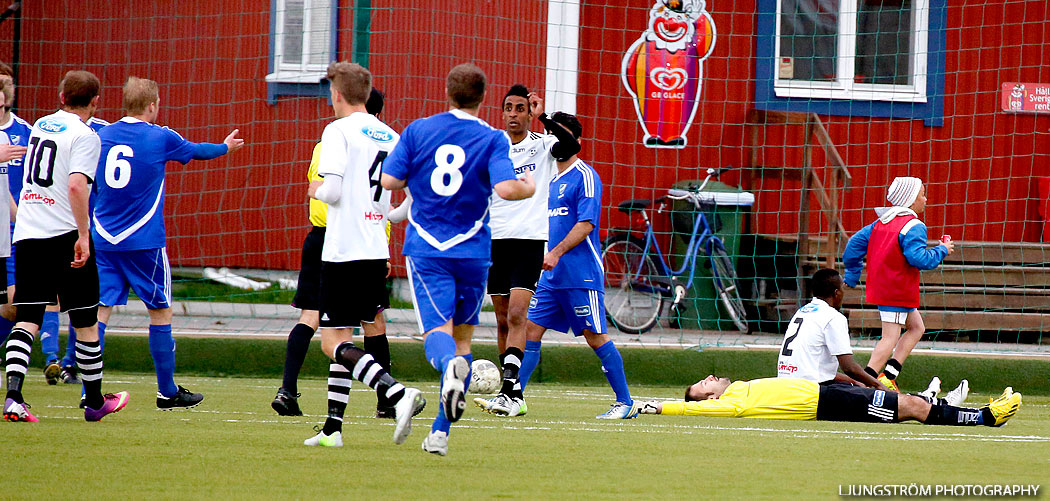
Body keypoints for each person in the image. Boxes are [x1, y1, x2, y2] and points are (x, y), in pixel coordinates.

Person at [381, 63, 536, 456]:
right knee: (464, 341)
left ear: (447, 92)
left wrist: (416, 170)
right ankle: (439, 434)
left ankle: (447, 372)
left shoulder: (418, 130)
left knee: (439, 335)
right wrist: (528, 186)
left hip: (428, 249)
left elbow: (389, 181)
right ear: (484, 99)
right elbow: (505, 188)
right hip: (473, 252)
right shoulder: (493, 138)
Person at [92, 76, 243, 410]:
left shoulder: (101, 135)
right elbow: (196, 151)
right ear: (151, 106)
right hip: (144, 241)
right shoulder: (160, 136)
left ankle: (90, 386)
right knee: (160, 310)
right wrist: (225, 147)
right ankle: (166, 391)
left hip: (103, 239)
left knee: (101, 310)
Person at [301, 62, 425, 448]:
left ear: (337, 94)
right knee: (348, 336)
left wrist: (314, 188)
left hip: (343, 252)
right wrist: (386, 214)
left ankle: (396, 392)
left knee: (330, 342)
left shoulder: (337, 131)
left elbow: (332, 191)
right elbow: (413, 196)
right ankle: (332, 429)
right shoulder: (391, 134)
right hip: (375, 249)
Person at [3, 70, 128, 422]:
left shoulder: (42, 124)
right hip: (63, 237)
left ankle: (13, 397)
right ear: (96, 102)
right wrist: (84, 235)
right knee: (86, 320)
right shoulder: (86, 136)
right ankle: (94, 401)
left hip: (27, 233)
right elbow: (76, 187)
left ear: (60, 97)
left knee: (27, 318)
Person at [272, 87, 404, 419]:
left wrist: (318, 190)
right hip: (357, 241)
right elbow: (375, 201)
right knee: (370, 321)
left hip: (324, 238)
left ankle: (290, 391)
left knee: (314, 320)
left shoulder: (330, 140)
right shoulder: (386, 141)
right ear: (378, 113)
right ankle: (387, 397)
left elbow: (325, 188)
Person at [512, 112, 638, 420]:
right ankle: (516, 398)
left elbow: (586, 224)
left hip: (580, 275)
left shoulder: (585, 175)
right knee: (530, 330)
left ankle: (625, 402)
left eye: (562, 134)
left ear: (576, 141)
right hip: (551, 277)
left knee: (594, 336)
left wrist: (554, 253)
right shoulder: (548, 180)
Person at [473, 85, 576, 417]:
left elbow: (573, 145)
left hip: (529, 241)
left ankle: (509, 391)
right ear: (502, 112)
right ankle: (512, 393)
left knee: (518, 314)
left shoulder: (544, 145)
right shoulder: (493, 146)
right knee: (502, 319)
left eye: (521, 108)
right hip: (493, 241)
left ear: (529, 113)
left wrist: (544, 116)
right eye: (509, 108)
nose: (514, 114)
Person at [842, 177, 954, 391]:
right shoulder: (914, 226)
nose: (926, 198)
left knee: (916, 327)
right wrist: (942, 250)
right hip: (896, 289)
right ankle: (863, 384)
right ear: (911, 199)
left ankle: (889, 375)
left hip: (886, 288)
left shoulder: (881, 222)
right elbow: (920, 259)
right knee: (889, 338)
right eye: (922, 194)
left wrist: (852, 275)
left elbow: (853, 246)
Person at [634, 374, 1021, 428]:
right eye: (703, 385)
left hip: (829, 393)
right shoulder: (729, 404)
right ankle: (988, 417)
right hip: (831, 407)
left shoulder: (738, 388)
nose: (709, 379)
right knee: (914, 409)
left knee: (905, 400)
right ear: (708, 400)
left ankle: (978, 412)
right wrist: (656, 406)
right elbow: (688, 407)